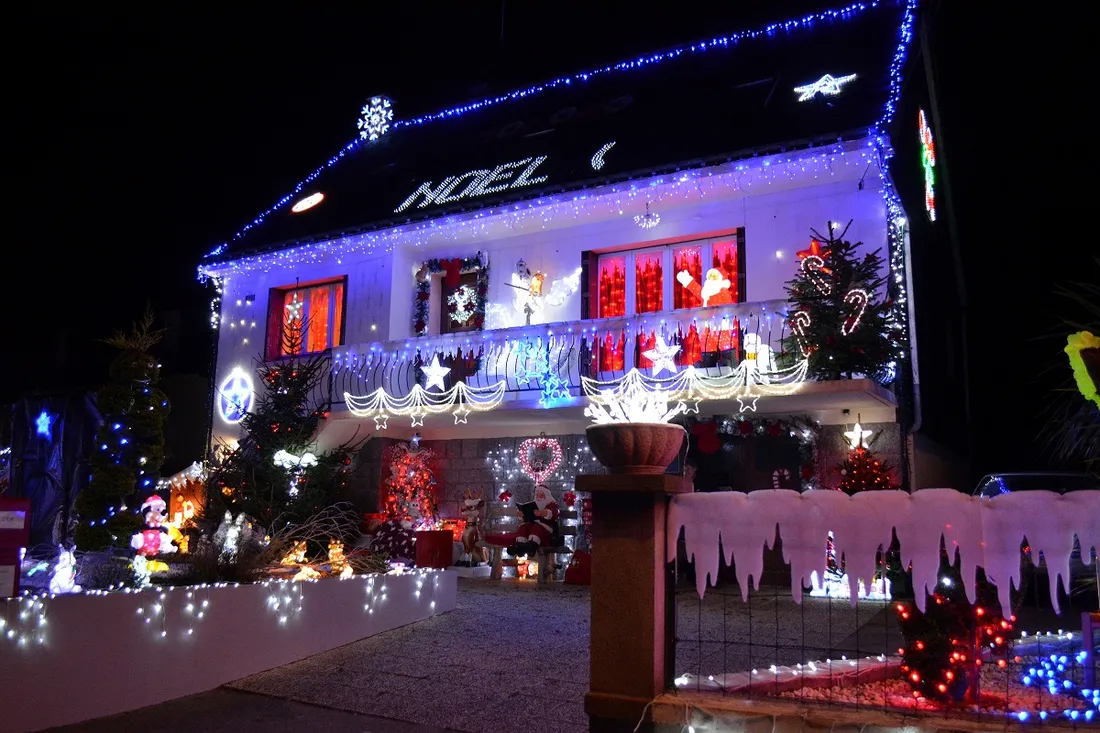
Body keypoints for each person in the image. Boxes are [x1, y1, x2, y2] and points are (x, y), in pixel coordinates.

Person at [507, 485, 559, 557]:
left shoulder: (551, 504)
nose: (538, 496)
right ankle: (519, 545)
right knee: (523, 527)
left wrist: (543, 512)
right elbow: (527, 517)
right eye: (537, 494)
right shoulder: (534, 504)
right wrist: (522, 514)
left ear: (546, 494)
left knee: (537, 527)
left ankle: (531, 546)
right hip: (532, 525)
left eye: (541, 493)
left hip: (545, 529)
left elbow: (553, 513)